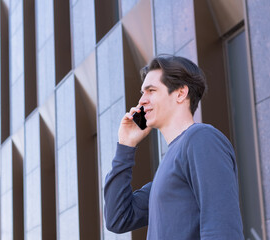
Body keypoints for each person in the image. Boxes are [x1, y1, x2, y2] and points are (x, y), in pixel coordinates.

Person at [104, 55, 244, 239]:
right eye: (142, 93)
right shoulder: (171, 162)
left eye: (151, 90)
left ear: (180, 93)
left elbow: (223, 230)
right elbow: (118, 218)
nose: (142, 101)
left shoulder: (201, 138)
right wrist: (125, 145)